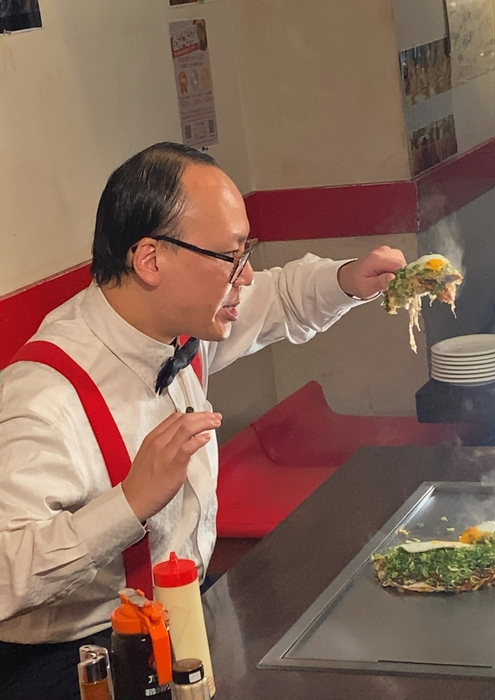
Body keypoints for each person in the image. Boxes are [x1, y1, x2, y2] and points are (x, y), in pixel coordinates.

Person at [0, 142, 406, 698]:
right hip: (74, 657)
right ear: (150, 260)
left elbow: (277, 298)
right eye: (231, 256)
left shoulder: (178, 324)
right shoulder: (43, 396)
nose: (247, 275)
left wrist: (347, 280)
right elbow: (6, 576)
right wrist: (129, 503)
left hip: (181, 606)